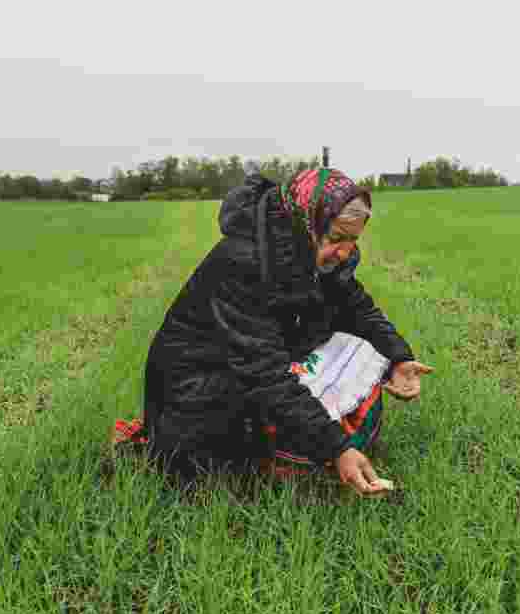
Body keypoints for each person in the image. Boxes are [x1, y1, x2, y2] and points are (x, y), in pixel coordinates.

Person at [114, 166, 433, 494]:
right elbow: (263, 374)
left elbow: (357, 308)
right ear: (305, 223)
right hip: (199, 392)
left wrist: (398, 357)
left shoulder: (316, 255)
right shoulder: (245, 262)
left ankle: (304, 452)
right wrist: (336, 447)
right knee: (231, 471)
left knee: (360, 349)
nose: (345, 252)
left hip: (249, 372)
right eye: (336, 238)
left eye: (353, 240)